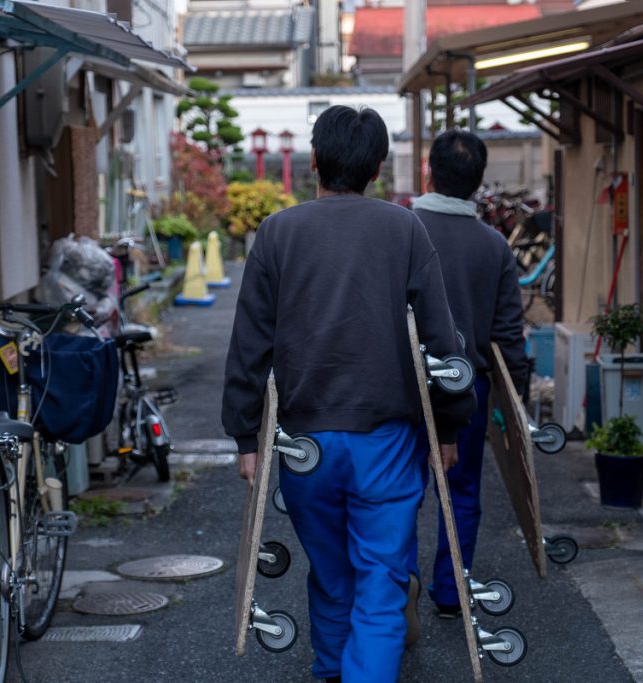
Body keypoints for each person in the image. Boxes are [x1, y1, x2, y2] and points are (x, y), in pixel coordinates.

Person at [222, 105, 476, 682]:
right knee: (381, 584)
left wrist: (245, 435)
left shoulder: (278, 232)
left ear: (313, 159)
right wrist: (452, 423)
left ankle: (333, 670)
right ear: (378, 167)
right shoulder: (404, 228)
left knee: (332, 575)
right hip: (385, 440)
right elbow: (442, 340)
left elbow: (249, 344)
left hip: (303, 442)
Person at [409, 129, 529, 618]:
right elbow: (508, 336)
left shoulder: (403, 228)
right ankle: (451, 589)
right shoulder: (494, 246)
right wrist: (513, 402)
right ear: (479, 183)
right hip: (470, 386)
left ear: (429, 170)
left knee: (399, 489)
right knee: (461, 490)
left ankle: (400, 586)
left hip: (405, 381)